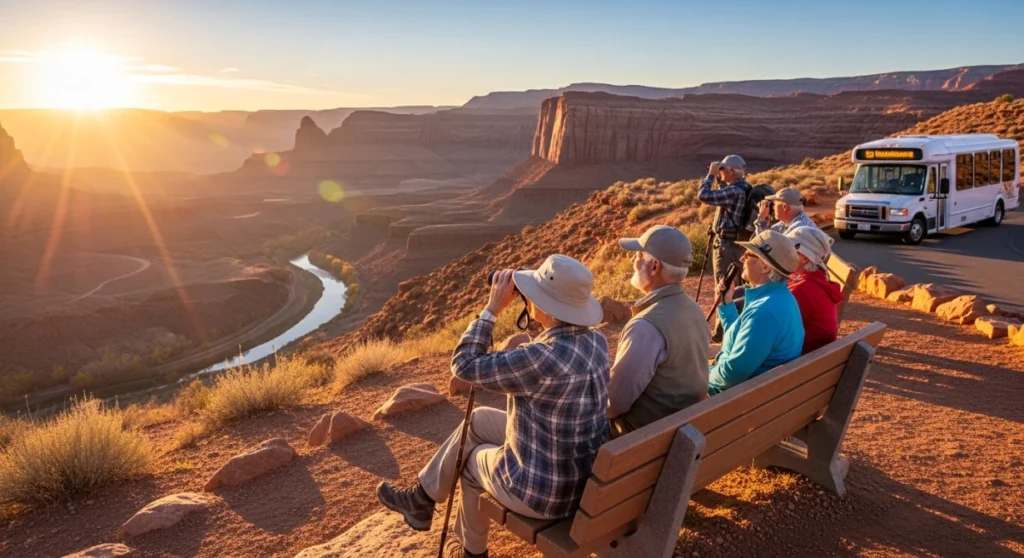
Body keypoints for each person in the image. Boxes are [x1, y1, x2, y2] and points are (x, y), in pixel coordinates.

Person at [376, 254, 609, 558]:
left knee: (471, 463)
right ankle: (422, 497)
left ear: (547, 306)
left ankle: (472, 553)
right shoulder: (597, 341)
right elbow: (554, 352)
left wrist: (491, 310)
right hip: (579, 474)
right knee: (478, 419)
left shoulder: (539, 359)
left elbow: (463, 365)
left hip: (545, 494)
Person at [609, 225, 709, 437]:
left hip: (643, 441)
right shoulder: (694, 309)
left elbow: (613, 404)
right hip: (684, 431)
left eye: (638, 255)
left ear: (654, 267)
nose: (633, 261)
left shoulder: (646, 327)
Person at [708, 231, 804, 395]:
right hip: (758, 399)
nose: (742, 259)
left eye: (748, 254)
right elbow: (740, 337)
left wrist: (704, 376)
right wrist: (726, 305)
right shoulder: (780, 299)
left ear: (765, 266)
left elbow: (732, 374)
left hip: (729, 402)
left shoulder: (764, 312)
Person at [697, 154, 752, 290]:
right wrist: (719, 178)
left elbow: (703, 195)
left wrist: (710, 176)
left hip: (727, 248)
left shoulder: (734, 191)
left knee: (724, 287)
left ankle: (725, 310)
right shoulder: (744, 187)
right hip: (735, 246)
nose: (720, 172)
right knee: (735, 286)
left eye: (722, 170)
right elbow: (723, 194)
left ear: (731, 171)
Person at [786, 226, 842, 354]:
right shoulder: (817, 282)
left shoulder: (803, 290)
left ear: (805, 258)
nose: (785, 253)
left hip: (796, 365)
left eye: (789, 249)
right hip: (812, 364)